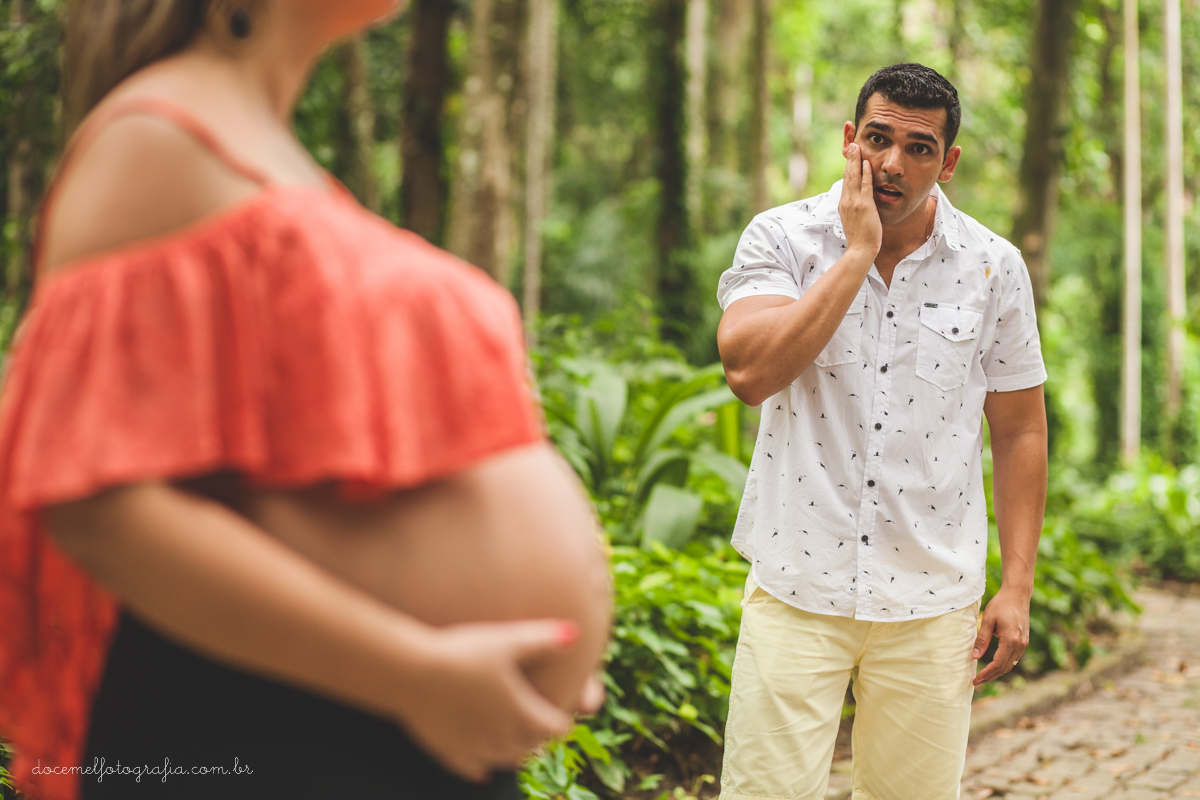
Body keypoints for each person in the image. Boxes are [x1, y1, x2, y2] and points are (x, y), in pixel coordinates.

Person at [0, 2, 611, 799]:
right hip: (275, 720)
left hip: (371, 725)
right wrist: (416, 673)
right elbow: (94, 503)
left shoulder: (265, 151)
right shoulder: (156, 135)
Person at [714, 63, 1048, 800]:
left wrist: (1017, 587)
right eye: (878, 139)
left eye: (919, 148)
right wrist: (855, 253)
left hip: (934, 603)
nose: (893, 164)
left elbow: (1020, 429)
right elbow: (748, 374)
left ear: (948, 161)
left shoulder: (995, 267)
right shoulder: (784, 238)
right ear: (849, 140)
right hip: (796, 587)